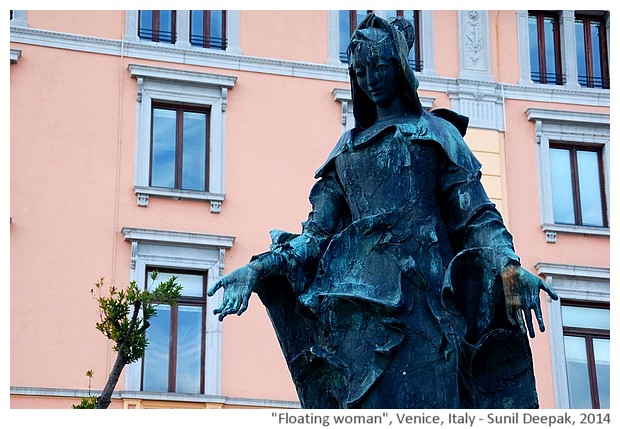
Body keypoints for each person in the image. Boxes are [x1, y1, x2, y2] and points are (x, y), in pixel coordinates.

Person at [208, 13, 557, 409]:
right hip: (361, 319)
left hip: (427, 311)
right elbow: (314, 237)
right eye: (360, 71)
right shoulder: (345, 152)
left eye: (379, 66)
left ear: (400, 67)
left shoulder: (437, 136)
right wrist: (257, 269)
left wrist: (508, 266)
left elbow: (477, 217)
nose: (370, 78)